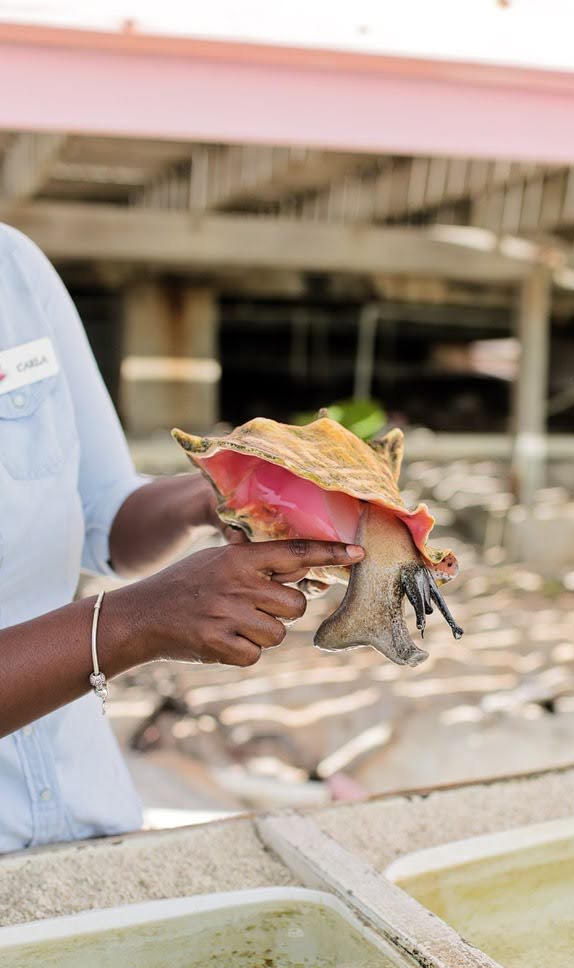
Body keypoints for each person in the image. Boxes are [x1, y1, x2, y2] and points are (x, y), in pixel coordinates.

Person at [0, 224, 364, 854]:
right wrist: (132, 622)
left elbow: (104, 513)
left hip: (91, 818)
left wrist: (225, 493)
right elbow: (129, 608)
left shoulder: (13, 269)